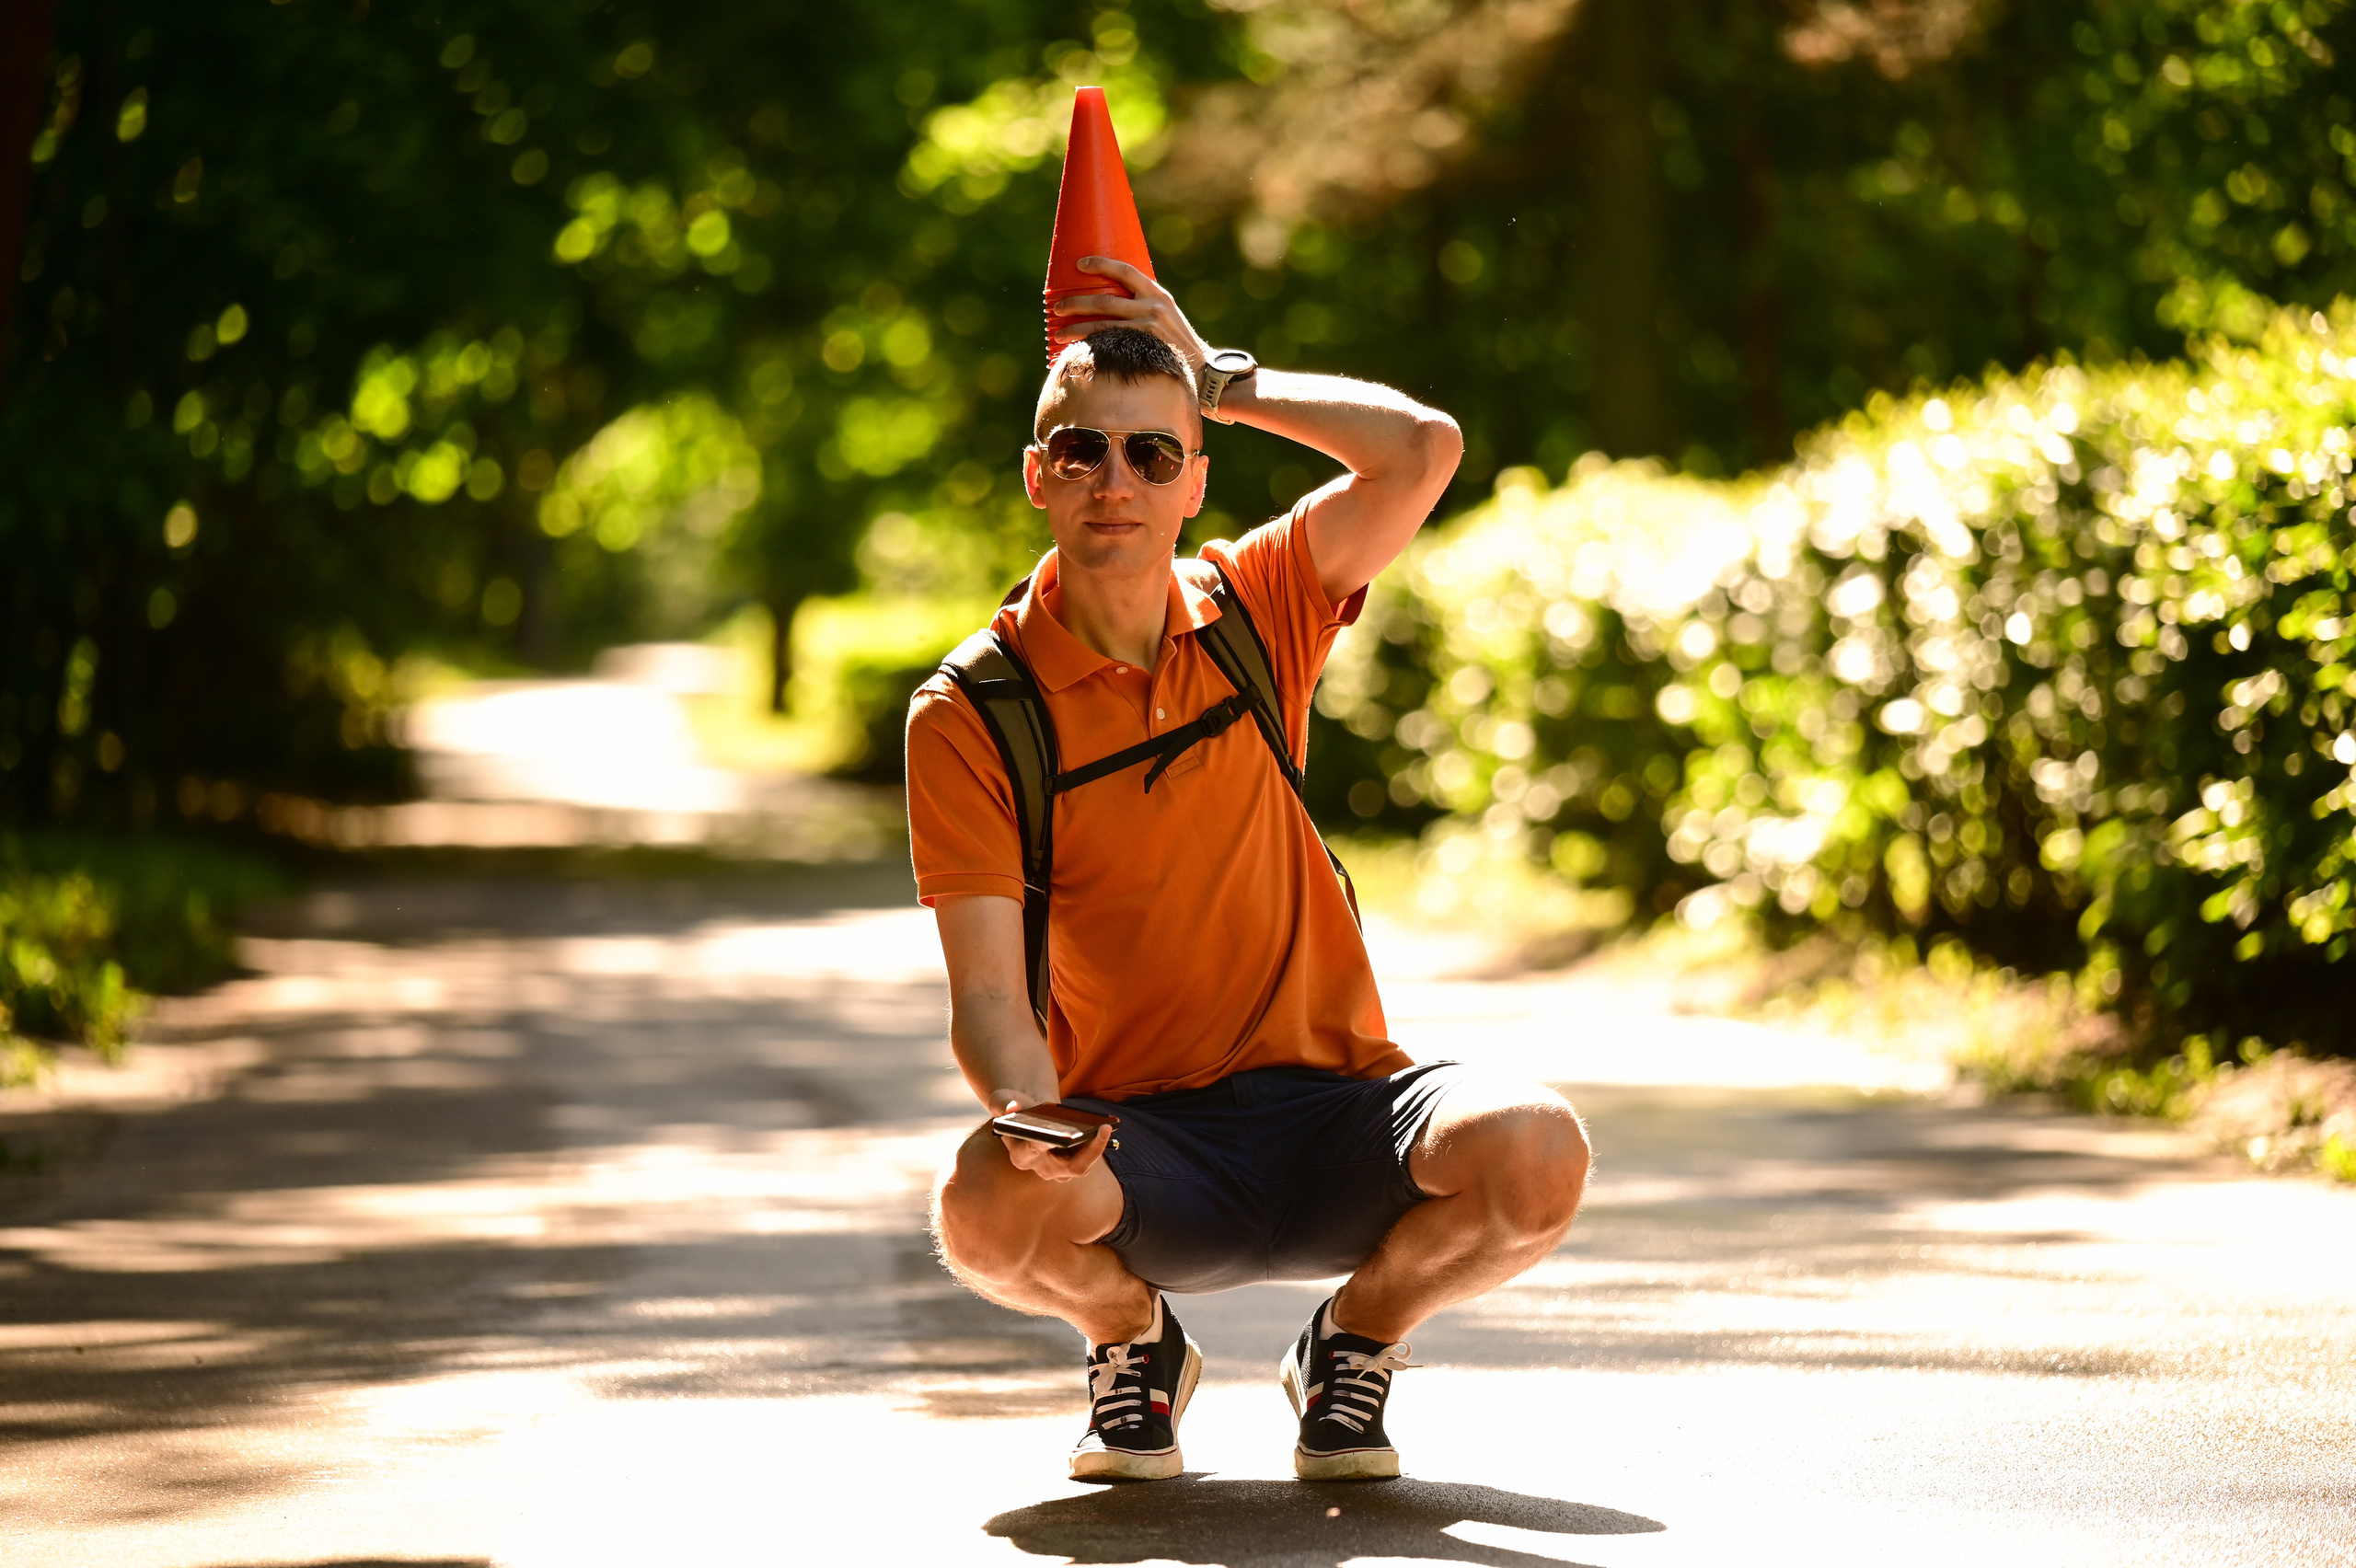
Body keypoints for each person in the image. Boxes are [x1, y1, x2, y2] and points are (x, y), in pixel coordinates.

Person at [906, 256, 1590, 1482]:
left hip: (1339, 1110)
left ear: (1194, 479)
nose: (1117, 480)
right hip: (1142, 1150)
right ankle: (1133, 1346)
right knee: (978, 1208)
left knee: (1537, 1149)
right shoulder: (972, 709)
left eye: (1152, 454)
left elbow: (1421, 451)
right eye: (1082, 451)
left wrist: (1223, 375)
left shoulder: (1256, 602)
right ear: (1036, 477)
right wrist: (1030, 1122)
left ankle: (1355, 1341)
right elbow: (991, 1002)